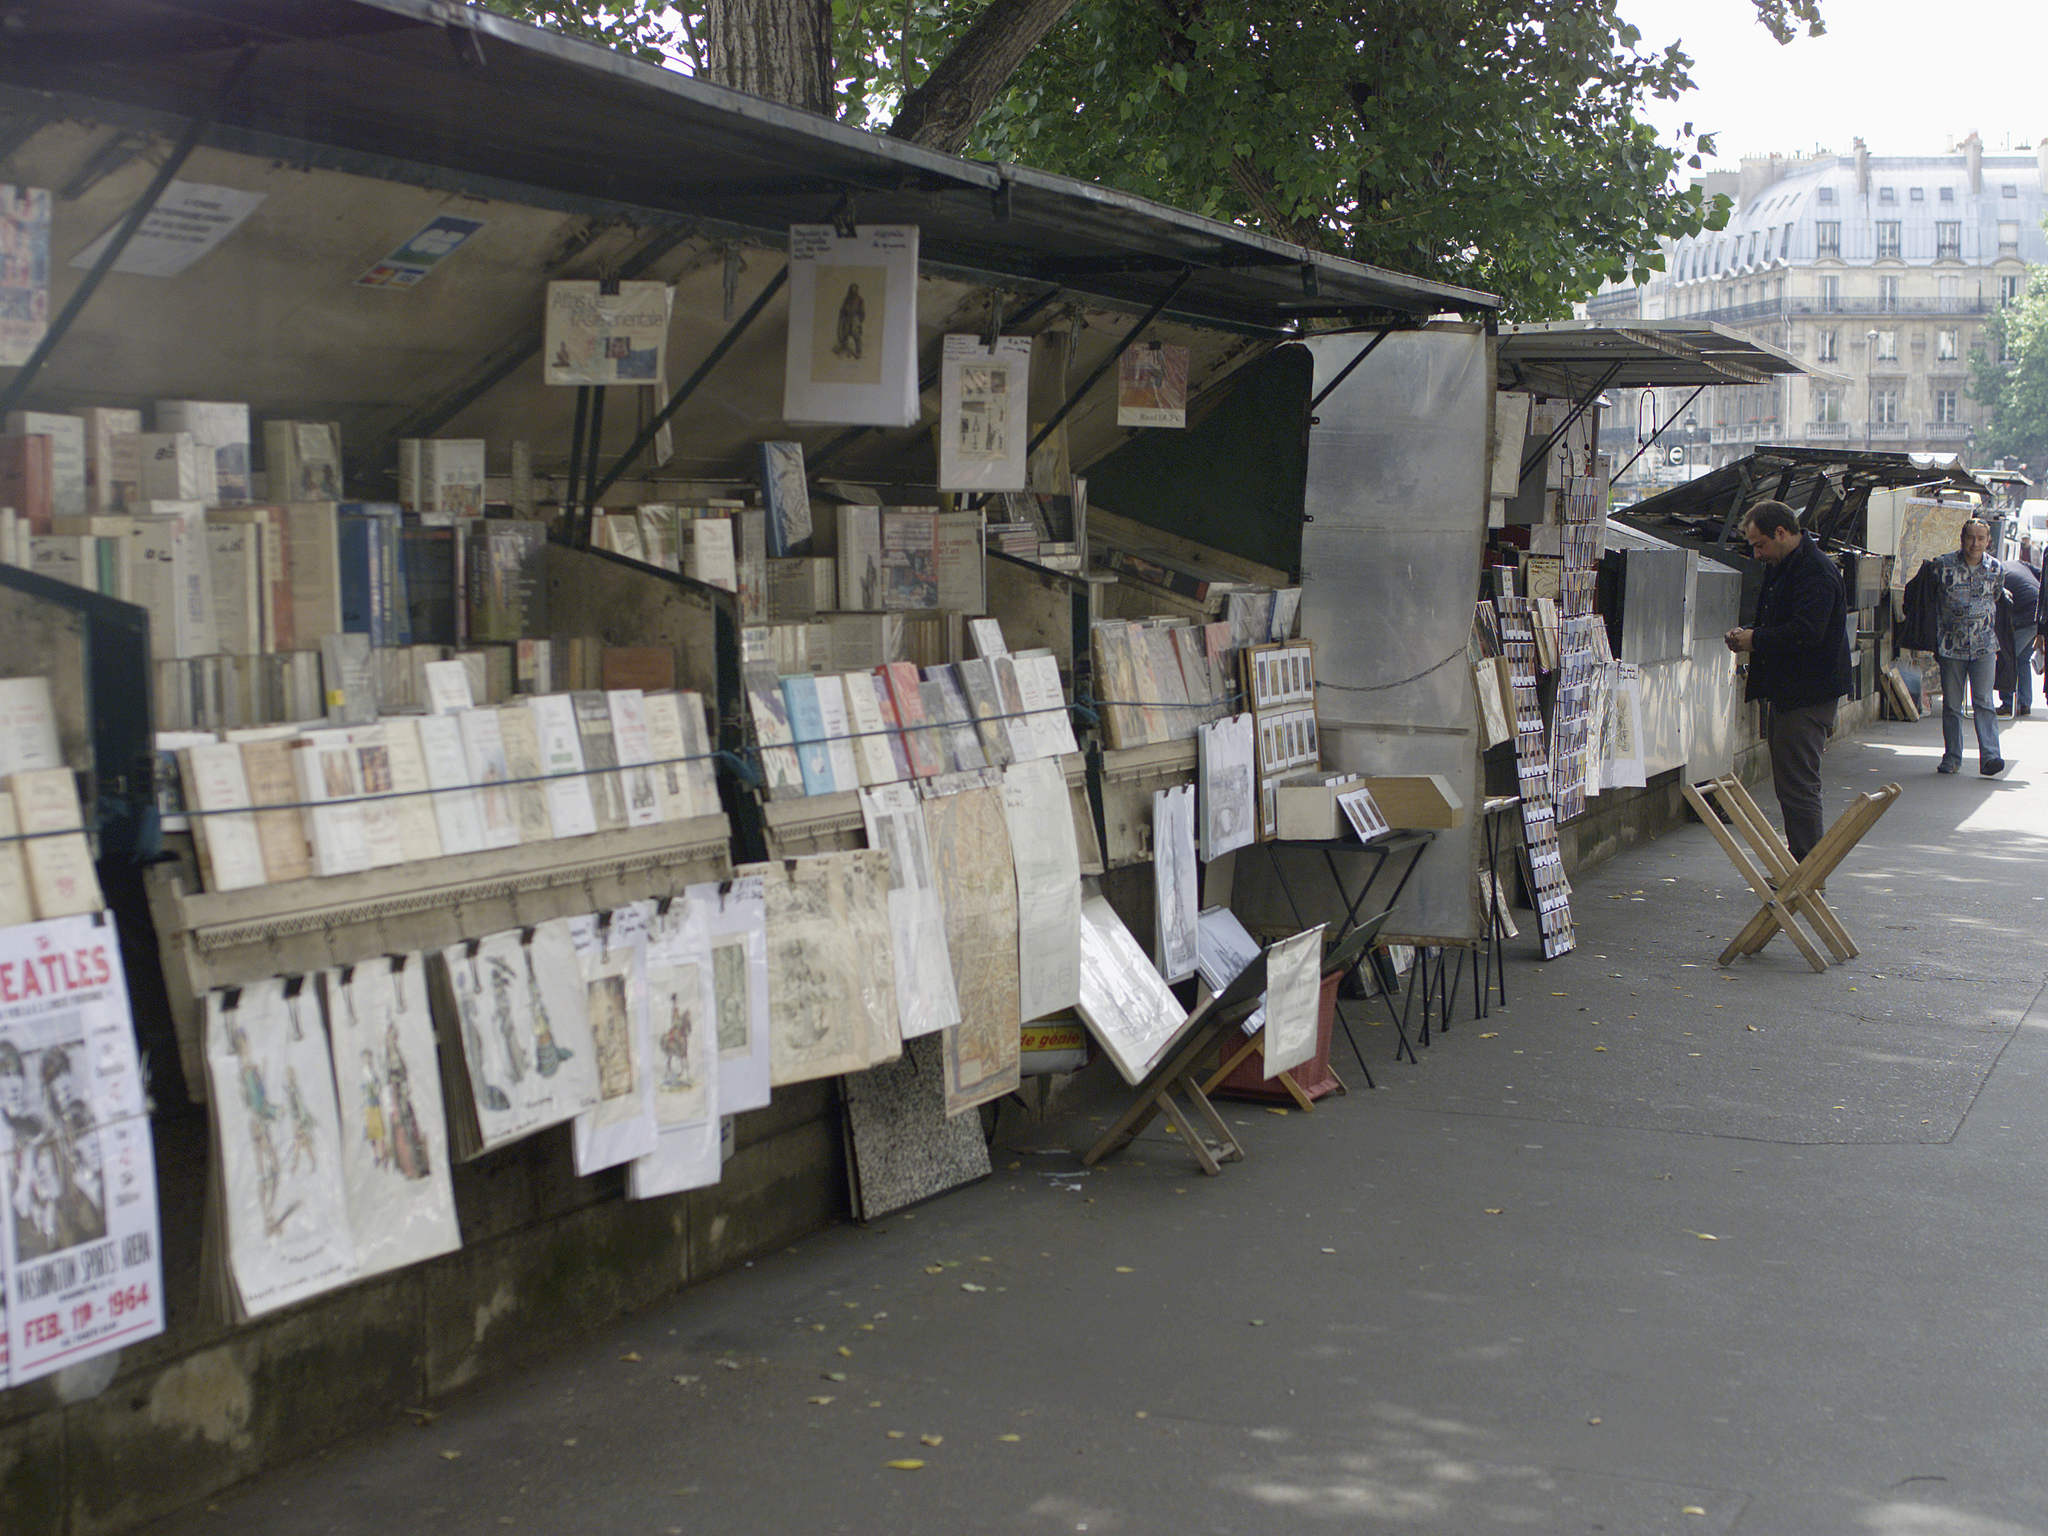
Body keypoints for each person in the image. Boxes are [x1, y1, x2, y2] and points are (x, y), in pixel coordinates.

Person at [1723, 501, 1853, 861]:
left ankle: (1808, 870)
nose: (1757, 552)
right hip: (1791, 690)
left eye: (1760, 543)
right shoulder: (1787, 565)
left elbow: (1806, 632)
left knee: (1798, 785)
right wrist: (1752, 633)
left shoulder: (1815, 572)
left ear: (1781, 533)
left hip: (1808, 692)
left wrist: (1756, 639)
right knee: (1792, 783)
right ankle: (1805, 865)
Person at [1928, 518, 2008, 776]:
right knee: (1952, 705)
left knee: (1984, 702)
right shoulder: (1943, 566)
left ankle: (1990, 757)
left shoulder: (1995, 569)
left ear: (1988, 542)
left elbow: (1996, 597)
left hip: (1984, 646)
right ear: (1962, 539)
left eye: (1981, 538)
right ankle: (1952, 757)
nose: (1975, 543)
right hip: (1951, 647)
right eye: (1970, 537)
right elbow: (1931, 600)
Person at [1999, 555, 2039, 717]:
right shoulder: (2018, 564)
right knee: (2022, 660)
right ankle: (2024, 703)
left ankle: (2008, 703)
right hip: (2039, 615)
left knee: (2007, 657)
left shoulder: (1997, 572)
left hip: (2026, 615)